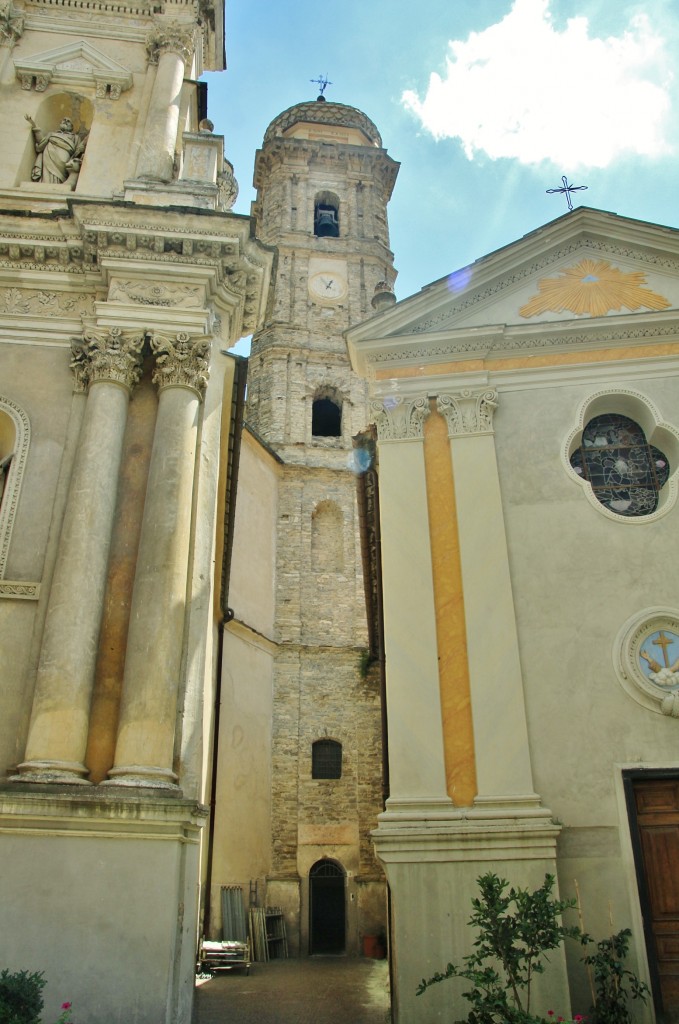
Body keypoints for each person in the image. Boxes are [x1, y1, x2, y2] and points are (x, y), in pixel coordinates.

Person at [24, 114, 87, 185]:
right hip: (48, 156)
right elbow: (41, 142)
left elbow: (77, 152)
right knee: (47, 175)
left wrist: (81, 149)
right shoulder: (52, 134)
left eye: (68, 121)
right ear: (60, 123)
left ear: (71, 127)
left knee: (59, 176)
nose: (65, 122)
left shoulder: (75, 137)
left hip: (64, 159)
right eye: (64, 120)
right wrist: (34, 125)